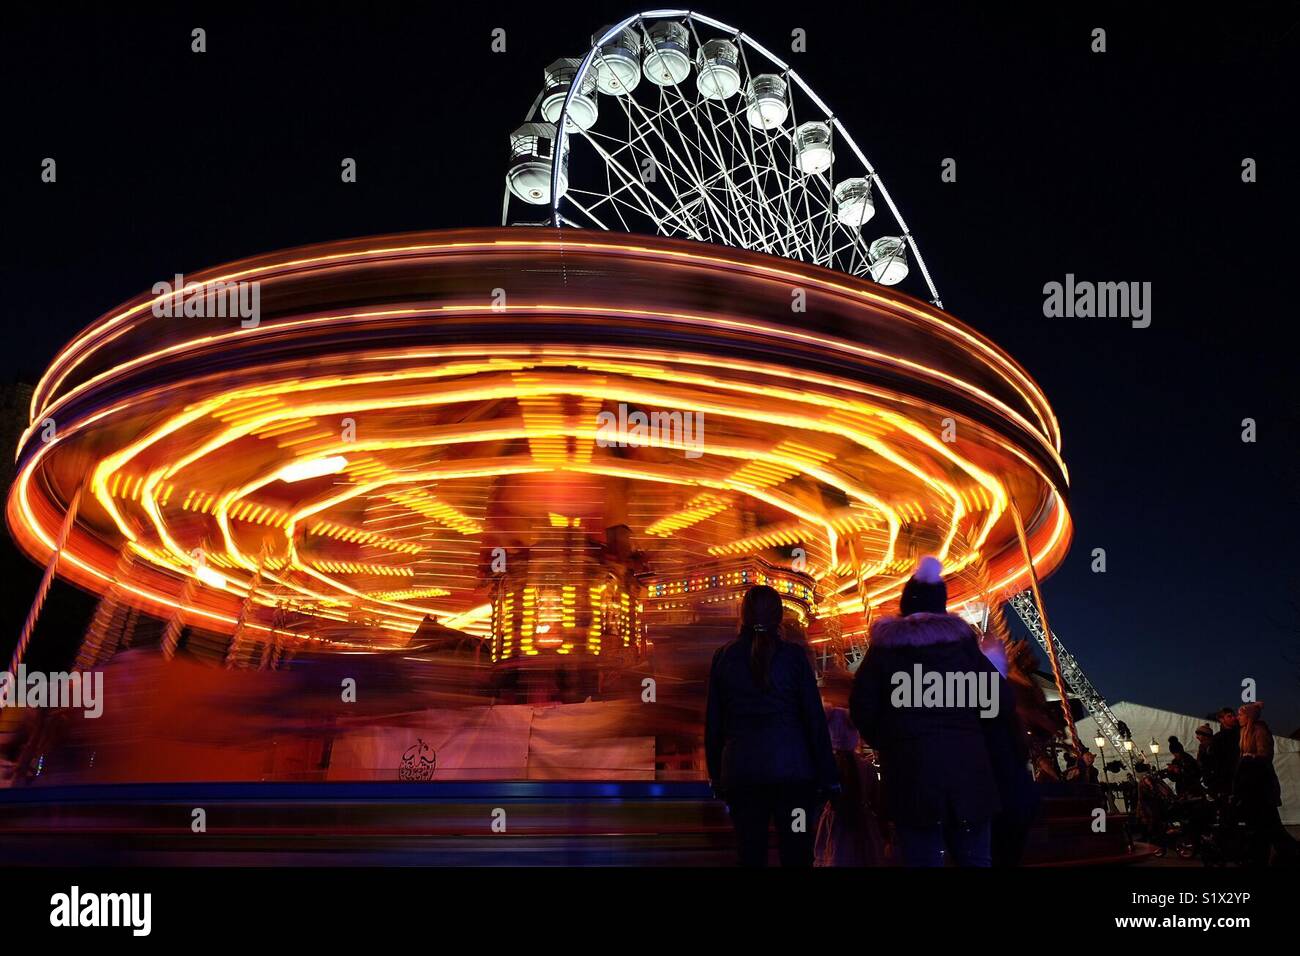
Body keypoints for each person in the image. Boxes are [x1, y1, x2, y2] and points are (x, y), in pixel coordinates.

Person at [849, 557, 1004, 867]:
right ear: (942, 604)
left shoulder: (885, 650)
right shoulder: (964, 647)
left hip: (912, 775)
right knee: (976, 860)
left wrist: (892, 740)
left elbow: (862, 706)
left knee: (922, 858)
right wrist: (972, 736)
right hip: (968, 775)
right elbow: (995, 700)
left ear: (905, 605)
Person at [705, 584, 839, 866]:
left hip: (743, 772)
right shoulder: (793, 657)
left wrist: (717, 775)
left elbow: (714, 722)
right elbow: (813, 719)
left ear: (743, 616)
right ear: (779, 617)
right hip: (793, 775)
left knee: (751, 852)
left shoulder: (724, 657)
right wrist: (828, 775)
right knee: (797, 849)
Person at [1232, 702, 1294, 865]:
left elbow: (1264, 756)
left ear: (1250, 716)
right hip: (1250, 786)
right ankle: (1262, 856)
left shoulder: (1259, 731)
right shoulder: (1243, 732)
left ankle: (1287, 853)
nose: (1238, 717)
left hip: (1261, 786)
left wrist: (1250, 759)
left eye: (1241, 714)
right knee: (1262, 825)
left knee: (1270, 825)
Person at [1204, 707, 1240, 800]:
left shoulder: (1241, 735)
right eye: (1229, 716)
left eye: (1233, 715)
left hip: (1240, 781)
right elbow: (1212, 763)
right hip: (1223, 785)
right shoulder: (1217, 739)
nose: (1233, 718)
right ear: (1221, 719)